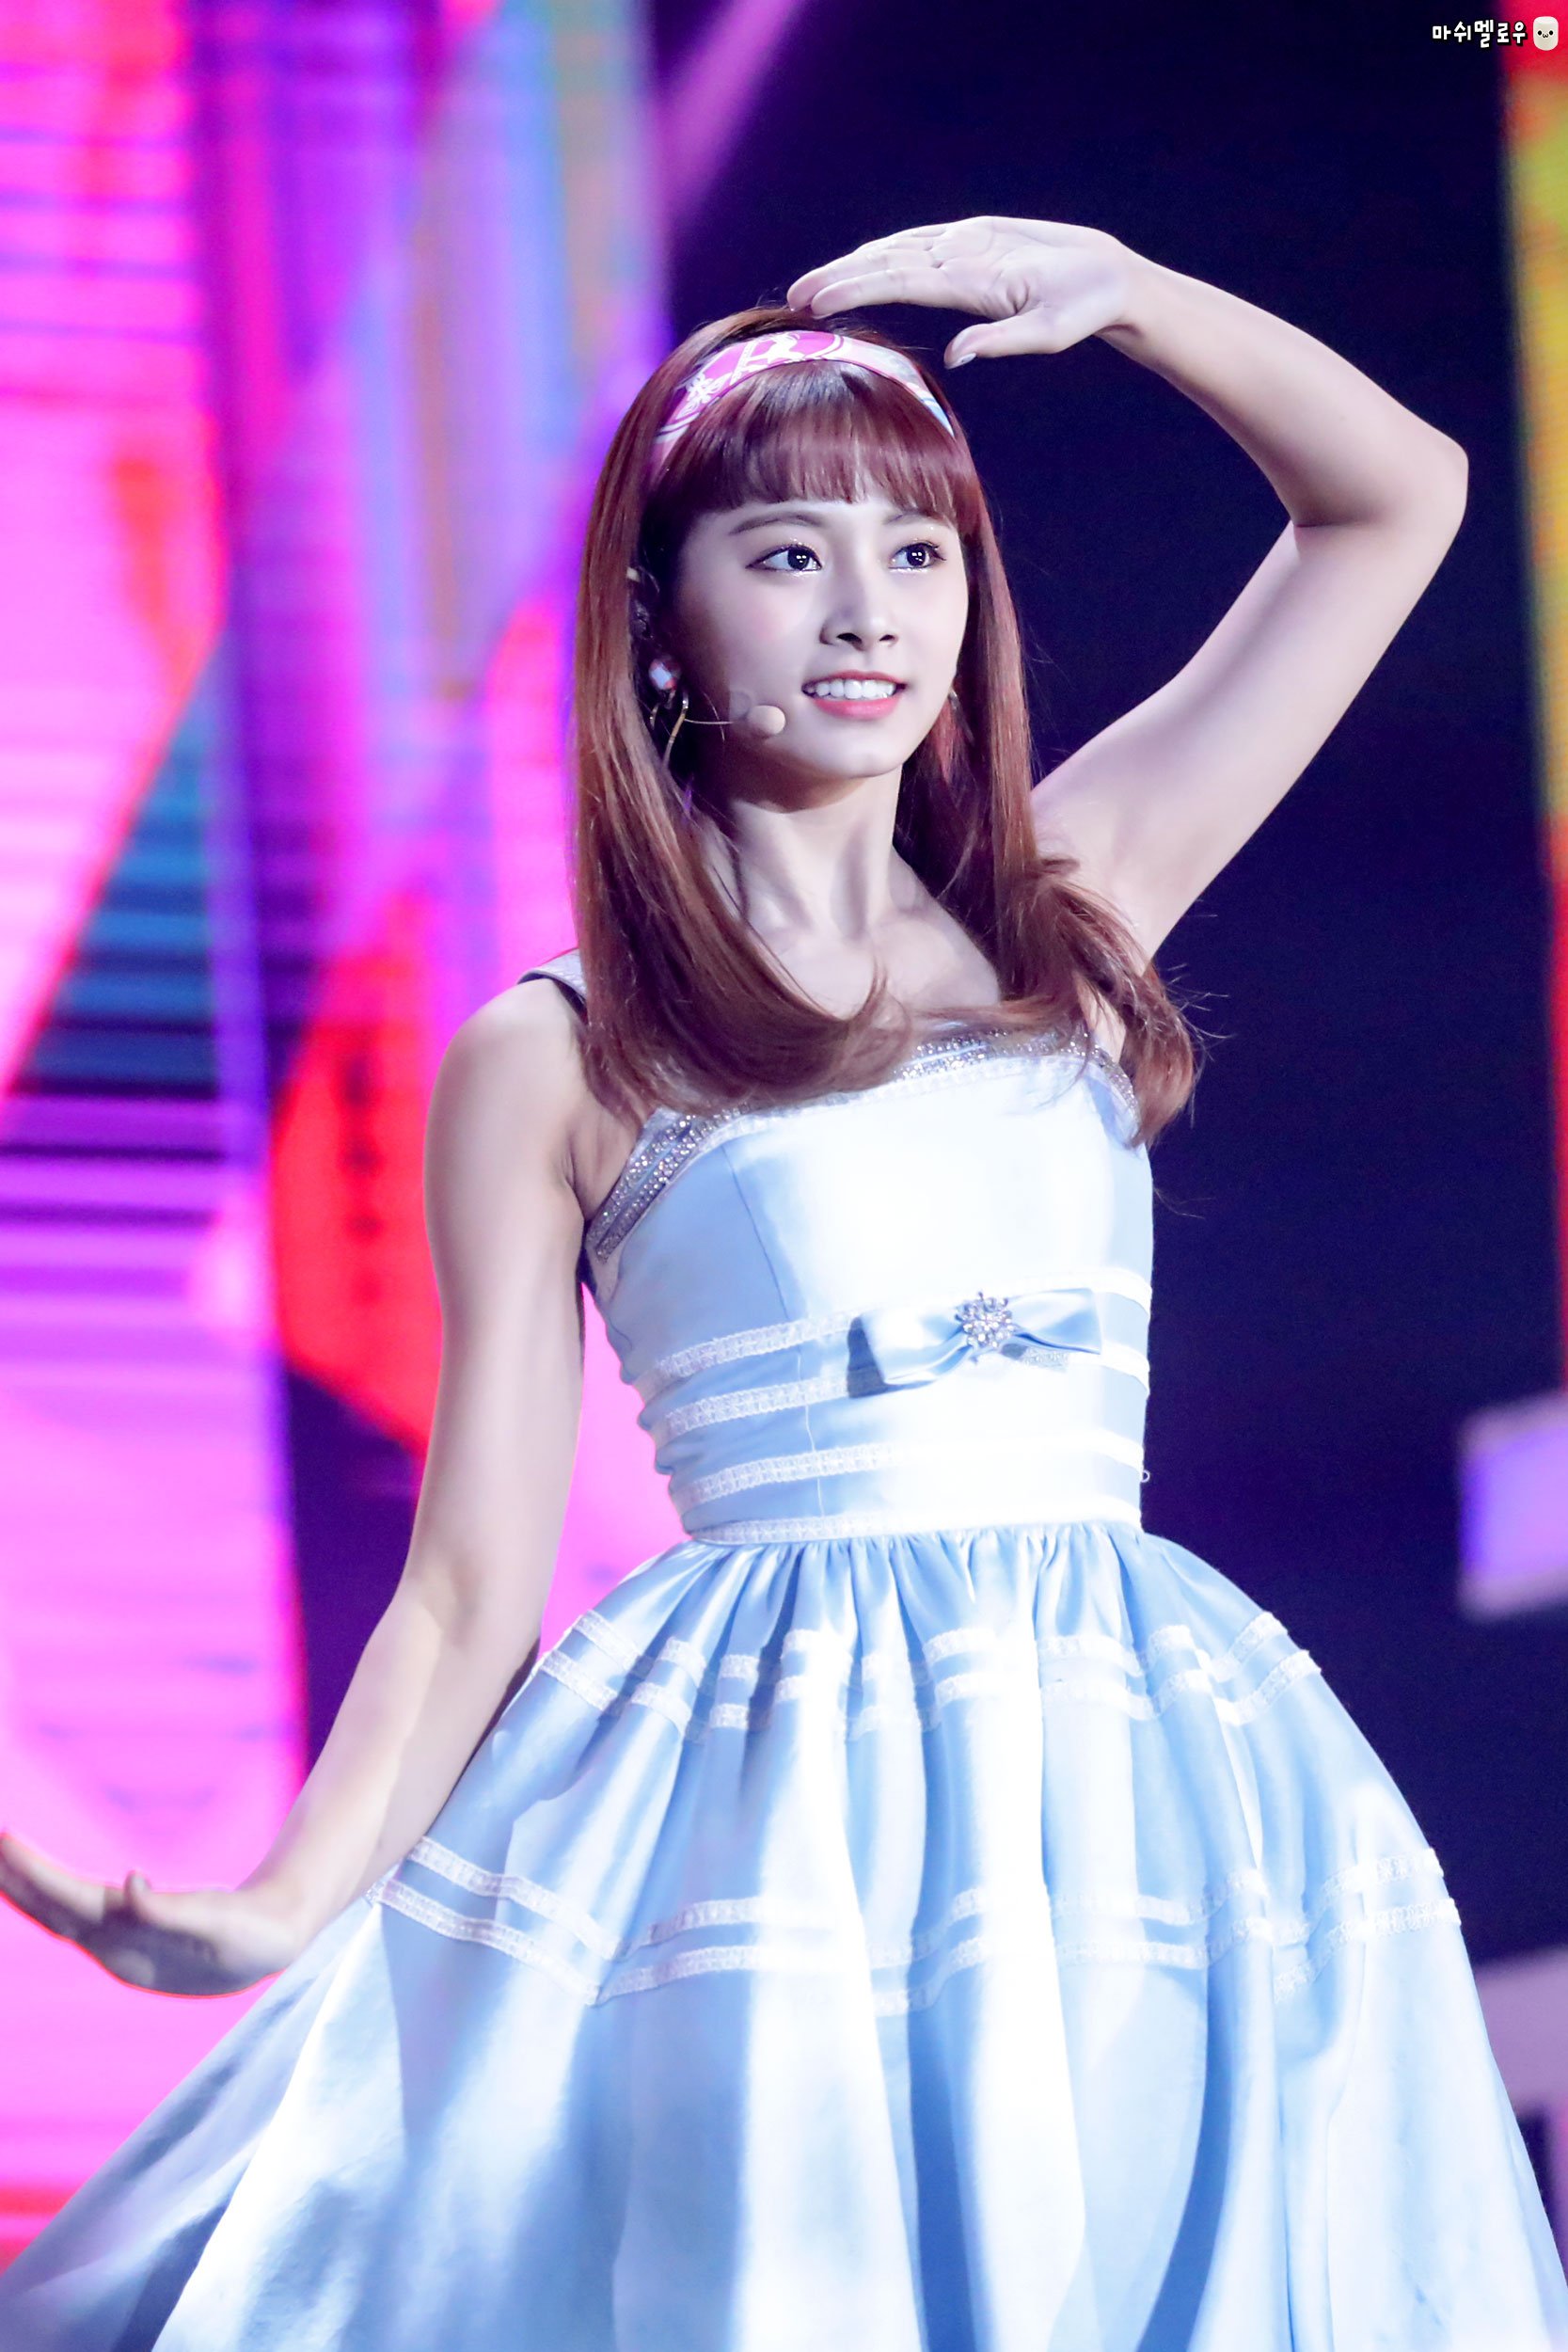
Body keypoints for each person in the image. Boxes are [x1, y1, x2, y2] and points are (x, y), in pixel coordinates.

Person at [0, 215, 1562, 2351]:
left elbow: (1397, 500)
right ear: (657, 616)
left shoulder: (1071, 916)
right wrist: (277, 1902)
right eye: (789, 552)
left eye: (918, 556)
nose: (867, 613)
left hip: (1140, 1773)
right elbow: (466, 1582)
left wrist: (1126, 288)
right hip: (779, 1805)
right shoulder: (556, 1052)